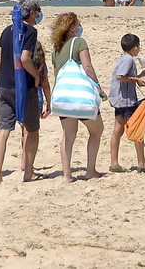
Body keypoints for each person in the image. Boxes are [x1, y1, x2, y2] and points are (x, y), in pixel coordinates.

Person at [0, 0, 49, 183]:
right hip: (23, 87)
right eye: (38, 11)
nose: (39, 14)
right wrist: (36, 75)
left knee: (4, 130)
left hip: (3, 84)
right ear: (32, 13)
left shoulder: (6, 31)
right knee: (32, 129)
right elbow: (25, 58)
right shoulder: (30, 32)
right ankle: (28, 172)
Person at [48, 12, 105, 182]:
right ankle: (90, 170)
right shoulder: (79, 42)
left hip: (63, 98)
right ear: (72, 27)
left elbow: (57, 75)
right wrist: (99, 87)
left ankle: (67, 175)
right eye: (78, 24)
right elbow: (87, 67)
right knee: (97, 131)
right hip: (80, 97)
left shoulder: (56, 50)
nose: (80, 27)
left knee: (68, 135)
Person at [106, 33, 145, 173]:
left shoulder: (123, 59)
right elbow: (120, 77)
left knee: (117, 131)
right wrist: (136, 80)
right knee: (136, 129)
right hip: (126, 100)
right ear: (135, 48)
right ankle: (141, 163)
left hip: (119, 100)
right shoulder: (129, 60)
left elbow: (124, 76)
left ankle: (114, 163)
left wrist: (140, 76)